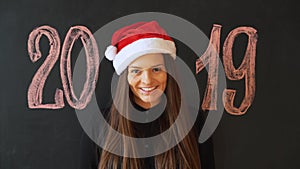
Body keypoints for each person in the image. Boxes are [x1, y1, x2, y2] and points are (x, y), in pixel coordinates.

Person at [79, 21, 215, 169]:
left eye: (156, 69)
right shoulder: (100, 125)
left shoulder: (193, 120)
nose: (147, 80)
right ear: (125, 76)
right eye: (136, 71)